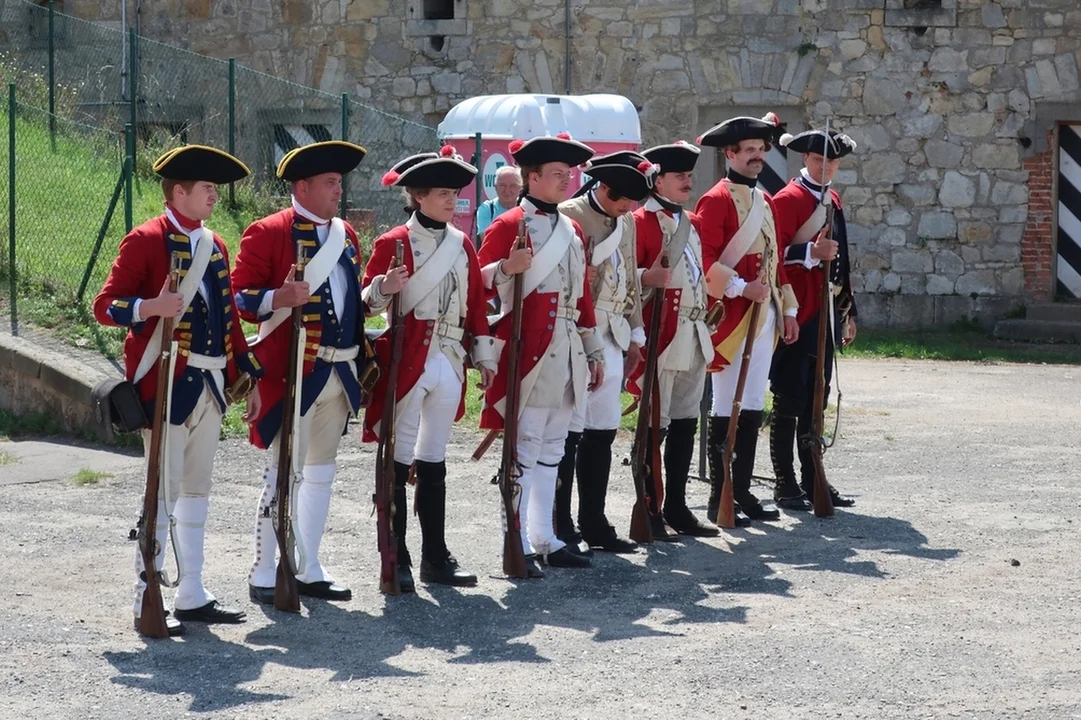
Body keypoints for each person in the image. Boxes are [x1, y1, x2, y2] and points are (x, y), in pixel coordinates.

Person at [93, 144, 262, 636]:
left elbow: (229, 319)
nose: (214, 195)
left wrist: (244, 375)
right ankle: (147, 594)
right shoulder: (146, 238)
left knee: (197, 492)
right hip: (164, 384)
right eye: (206, 187)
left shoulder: (217, 244)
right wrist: (151, 308)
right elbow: (106, 306)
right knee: (161, 493)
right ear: (179, 191)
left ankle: (192, 592)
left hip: (209, 384)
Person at [232, 141, 373, 605]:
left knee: (321, 473)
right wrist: (276, 299)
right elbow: (240, 300)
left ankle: (308, 564)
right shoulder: (268, 231)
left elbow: (351, 301)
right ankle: (264, 571)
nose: (338, 191)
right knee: (281, 473)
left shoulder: (345, 235)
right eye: (330, 183)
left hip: (340, 370)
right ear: (303, 187)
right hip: (295, 375)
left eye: (338, 183)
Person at [361, 146, 500, 590]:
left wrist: (484, 357)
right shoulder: (392, 243)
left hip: (449, 358)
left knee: (435, 461)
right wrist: (385, 286)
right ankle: (395, 556)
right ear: (418, 197)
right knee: (398, 461)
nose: (452, 201)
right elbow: (365, 304)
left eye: (454, 194)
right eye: (442, 193)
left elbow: (476, 304)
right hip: (408, 358)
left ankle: (435, 558)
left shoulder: (463, 245)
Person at [478, 132, 605, 576]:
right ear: (532, 178)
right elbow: (476, 283)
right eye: (556, 173)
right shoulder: (508, 224)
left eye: (568, 173)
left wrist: (593, 350)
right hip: (529, 351)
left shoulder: (571, 229)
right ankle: (513, 540)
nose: (566, 179)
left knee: (554, 448)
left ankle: (544, 537)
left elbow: (582, 295)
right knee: (524, 448)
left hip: (567, 351)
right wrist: (503, 269)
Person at [694, 113, 800, 526]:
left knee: (754, 404)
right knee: (726, 404)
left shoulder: (766, 201)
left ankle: (741, 490)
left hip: (765, 314)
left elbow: (775, 264)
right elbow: (706, 261)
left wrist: (787, 309)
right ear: (730, 154)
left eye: (761, 150)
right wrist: (740, 288)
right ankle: (720, 494)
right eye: (749, 151)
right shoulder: (715, 200)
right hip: (732, 317)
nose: (757, 157)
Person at [554, 151, 656, 555]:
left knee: (603, 431)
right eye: (622, 201)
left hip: (614, 331)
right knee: (570, 433)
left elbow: (630, 276)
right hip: (581, 331)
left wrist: (636, 335)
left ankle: (593, 520)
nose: (627, 209)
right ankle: (560, 522)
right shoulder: (570, 215)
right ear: (605, 189)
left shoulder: (626, 221)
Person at [630, 140, 720, 540]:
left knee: (686, 422)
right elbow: (626, 282)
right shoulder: (639, 222)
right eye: (679, 176)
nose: (688, 182)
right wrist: (645, 279)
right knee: (656, 426)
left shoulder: (693, 223)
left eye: (689, 175)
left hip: (694, 331)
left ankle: (679, 507)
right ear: (657, 180)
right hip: (662, 335)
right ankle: (649, 508)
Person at [768, 128, 859, 510]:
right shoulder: (788, 199)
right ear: (805, 159)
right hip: (797, 309)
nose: (826, 167)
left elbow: (842, 262)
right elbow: (773, 254)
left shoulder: (832, 199)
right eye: (820, 160)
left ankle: (813, 475)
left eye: (833, 161)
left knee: (816, 400)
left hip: (824, 311)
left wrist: (849, 311)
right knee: (791, 396)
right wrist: (809, 251)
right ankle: (785, 481)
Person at [475, 165, 522, 237]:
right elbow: (487, 240)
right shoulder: (487, 209)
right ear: (496, 187)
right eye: (503, 185)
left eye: (513, 186)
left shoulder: (526, 208)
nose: (507, 190)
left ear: (520, 188)